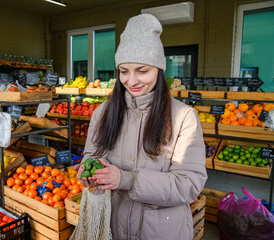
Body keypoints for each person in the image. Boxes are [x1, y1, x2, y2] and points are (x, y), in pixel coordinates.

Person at [75, 13, 207, 239]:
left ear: (159, 69)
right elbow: (92, 155)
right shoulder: (103, 113)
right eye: (124, 72)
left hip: (161, 230)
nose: (132, 81)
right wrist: (90, 171)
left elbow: (189, 183)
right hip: (113, 226)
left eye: (142, 71)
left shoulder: (183, 117)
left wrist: (128, 180)